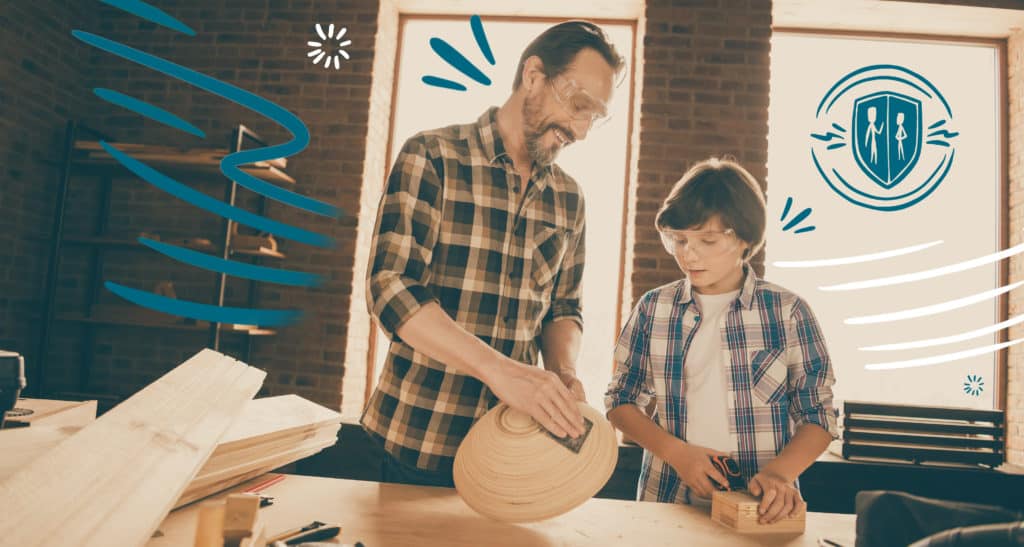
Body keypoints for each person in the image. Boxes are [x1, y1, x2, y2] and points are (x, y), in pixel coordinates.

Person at [362, 21, 625, 488]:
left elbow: (563, 308)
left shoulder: (569, 199)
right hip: (416, 443)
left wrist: (562, 373)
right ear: (533, 76)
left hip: (512, 458)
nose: (581, 130)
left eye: (594, 116)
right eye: (578, 105)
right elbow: (391, 289)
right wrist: (498, 371)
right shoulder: (432, 156)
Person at [604, 158, 838, 524]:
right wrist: (679, 455)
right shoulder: (653, 308)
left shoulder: (789, 312)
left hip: (762, 511)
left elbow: (818, 415)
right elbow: (620, 402)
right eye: (678, 240)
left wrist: (779, 474)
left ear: (745, 238)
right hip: (665, 502)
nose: (687, 254)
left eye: (707, 240)